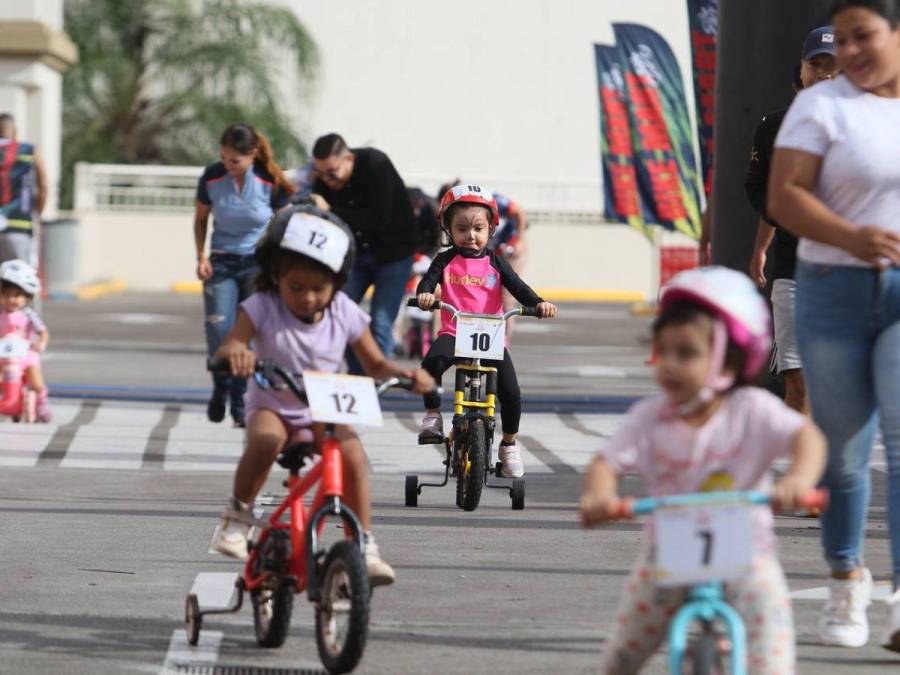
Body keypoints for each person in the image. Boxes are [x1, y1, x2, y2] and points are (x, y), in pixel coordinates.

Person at [580, 266, 827, 674]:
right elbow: (607, 461)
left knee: (773, 652)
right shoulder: (650, 417)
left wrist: (798, 479)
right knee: (622, 655)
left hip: (748, 556)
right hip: (668, 556)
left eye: (688, 353)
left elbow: (807, 438)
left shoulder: (753, 410)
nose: (671, 365)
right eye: (664, 351)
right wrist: (600, 496)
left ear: (729, 360)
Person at [209, 204, 434, 586]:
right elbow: (228, 347)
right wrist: (238, 354)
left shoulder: (344, 311)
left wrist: (409, 376)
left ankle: (363, 542)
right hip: (273, 401)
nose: (308, 298)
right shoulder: (261, 306)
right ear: (277, 275)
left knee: (353, 456)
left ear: (336, 284)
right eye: (296, 287)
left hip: (323, 405)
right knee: (266, 438)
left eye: (319, 289)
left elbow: (376, 364)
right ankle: (236, 517)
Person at [768, 0, 900, 651]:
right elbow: (783, 194)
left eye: (863, 37)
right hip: (831, 289)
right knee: (846, 457)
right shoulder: (819, 107)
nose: (848, 53)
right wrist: (853, 235)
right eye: (838, 42)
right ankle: (848, 575)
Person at [415, 185, 556, 478]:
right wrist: (426, 296)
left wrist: (539, 303)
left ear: (491, 229)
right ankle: (432, 416)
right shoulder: (445, 260)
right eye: (462, 228)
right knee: (430, 365)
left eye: (478, 228)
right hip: (454, 331)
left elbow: (518, 287)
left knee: (512, 392)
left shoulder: (495, 261)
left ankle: (509, 445)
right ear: (448, 229)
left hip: (490, 336)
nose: (471, 235)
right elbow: (426, 283)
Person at [746, 27, 839, 414]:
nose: (824, 74)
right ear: (800, 70)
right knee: (796, 377)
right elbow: (757, 186)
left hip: (852, 272)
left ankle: (830, 462)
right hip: (793, 268)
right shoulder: (773, 126)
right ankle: (807, 468)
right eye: (815, 65)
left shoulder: (874, 126)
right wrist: (768, 234)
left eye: (833, 67)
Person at [194, 123, 293, 427]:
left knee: (246, 335)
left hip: (256, 264)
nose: (228, 165)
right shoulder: (212, 177)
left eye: (234, 161)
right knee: (219, 330)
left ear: (252, 155)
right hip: (221, 262)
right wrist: (200, 256)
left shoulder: (269, 181)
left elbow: (284, 224)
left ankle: (239, 404)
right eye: (223, 158)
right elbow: (200, 220)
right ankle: (220, 387)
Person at [308, 133, 417, 374]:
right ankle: (360, 377)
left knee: (380, 320)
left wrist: (331, 210)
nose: (327, 180)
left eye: (332, 172)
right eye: (321, 173)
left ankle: (373, 381)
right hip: (357, 255)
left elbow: (378, 219)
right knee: (337, 311)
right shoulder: (324, 180)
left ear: (349, 159)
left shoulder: (375, 164)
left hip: (394, 254)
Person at [0, 259, 51, 422]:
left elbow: (43, 331)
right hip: (4, 355)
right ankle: (10, 400)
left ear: (26, 297)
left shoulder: (28, 315)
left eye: (16, 296)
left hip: (26, 355)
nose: (11, 300)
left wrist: (41, 343)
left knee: (36, 383)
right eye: (5, 296)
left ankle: (42, 403)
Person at [0, 114, 48, 265]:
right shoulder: (28, 150)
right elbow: (44, 185)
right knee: (21, 282)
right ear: (15, 131)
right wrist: (38, 213)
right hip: (20, 224)